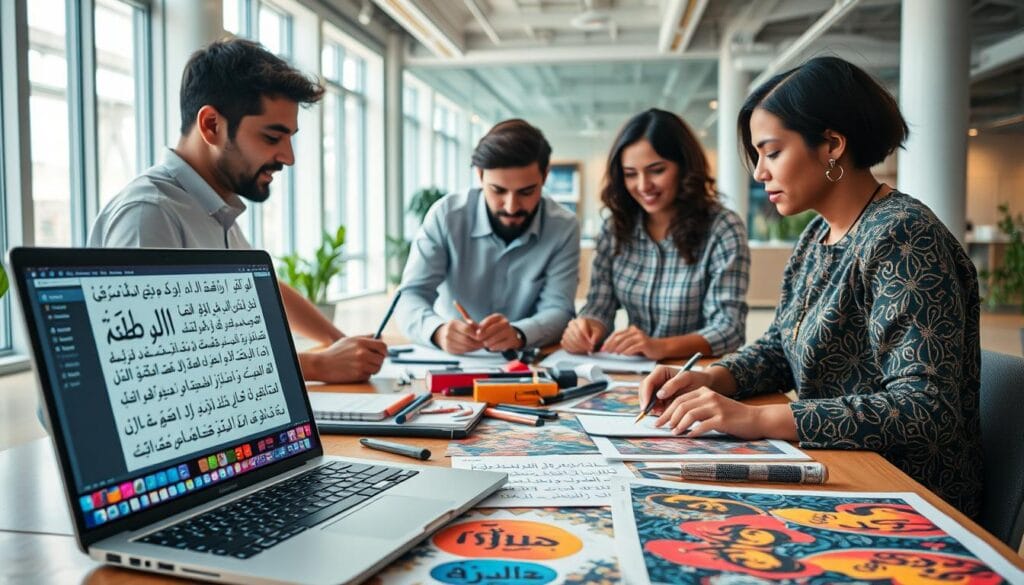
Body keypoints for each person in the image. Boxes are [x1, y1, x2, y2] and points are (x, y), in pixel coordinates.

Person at [638, 56, 982, 517]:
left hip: (903, 495)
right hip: (836, 467)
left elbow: (923, 408)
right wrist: (709, 378)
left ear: (832, 146)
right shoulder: (817, 236)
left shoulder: (902, 235)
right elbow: (781, 346)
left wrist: (755, 418)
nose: (760, 173)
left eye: (772, 152)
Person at [89, 38, 386, 383]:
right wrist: (318, 365)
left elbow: (266, 287)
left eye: (290, 139)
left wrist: (343, 344)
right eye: (272, 138)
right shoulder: (150, 213)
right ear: (212, 125)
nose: (288, 157)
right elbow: (148, 362)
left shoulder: (214, 206)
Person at [561, 109, 749, 360]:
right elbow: (600, 306)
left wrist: (660, 346)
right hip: (631, 374)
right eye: (630, 174)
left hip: (698, 376)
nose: (643, 185)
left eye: (656, 170)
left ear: (684, 167)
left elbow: (729, 329)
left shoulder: (722, 228)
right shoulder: (615, 228)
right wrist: (586, 329)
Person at [395, 119, 580, 354]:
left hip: (525, 361)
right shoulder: (446, 216)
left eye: (526, 192)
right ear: (480, 175)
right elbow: (410, 295)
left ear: (544, 176)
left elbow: (559, 309)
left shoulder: (563, 227)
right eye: (498, 191)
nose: (512, 207)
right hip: (452, 358)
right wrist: (438, 331)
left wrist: (519, 332)